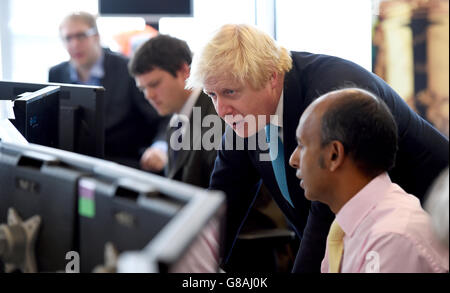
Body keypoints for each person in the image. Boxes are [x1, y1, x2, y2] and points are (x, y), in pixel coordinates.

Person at [186, 24, 449, 272]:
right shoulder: (244, 114)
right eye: (212, 95)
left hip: (428, 220)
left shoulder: (330, 97)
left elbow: (326, 206)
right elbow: (225, 197)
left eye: (230, 92)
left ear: (272, 78)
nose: (220, 110)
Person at [288, 88, 449, 273]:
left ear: (334, 154)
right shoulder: (349, 224)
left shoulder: (391, 238)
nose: (293, 159)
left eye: (302, 145)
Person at [49, 12, 168, 169]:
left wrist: (160, 148)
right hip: (73, 162)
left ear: (96, 36)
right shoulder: (56, 73)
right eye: (68, 38)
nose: (75, 44)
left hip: (124, 162)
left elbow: (162, 117)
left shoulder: (127, 69)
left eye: (81, 36)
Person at [128, 34, 224, 188]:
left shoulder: (217, 117)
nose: (149, 95)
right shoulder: (177, 118)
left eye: (154, 84)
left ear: (184, 71)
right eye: (143, 89)